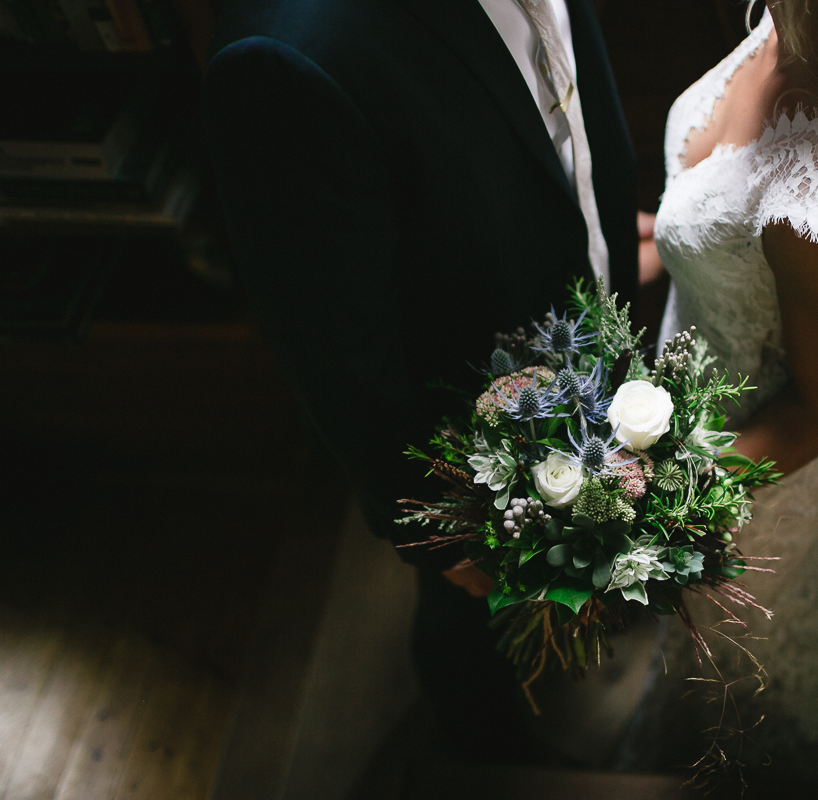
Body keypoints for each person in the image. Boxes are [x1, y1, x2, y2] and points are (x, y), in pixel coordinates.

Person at [533, 0, 818, 782]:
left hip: (750, 468)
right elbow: (708, 220)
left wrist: (660, 490)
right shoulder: (798, 20)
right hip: (686, 385)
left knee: (742, 655)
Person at [200, 0, 638, 762]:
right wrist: (443, 531)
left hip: (577, 352)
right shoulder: (284, 62)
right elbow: (339, 362)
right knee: (473, 641)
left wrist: (599, 237)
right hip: (474, 451)